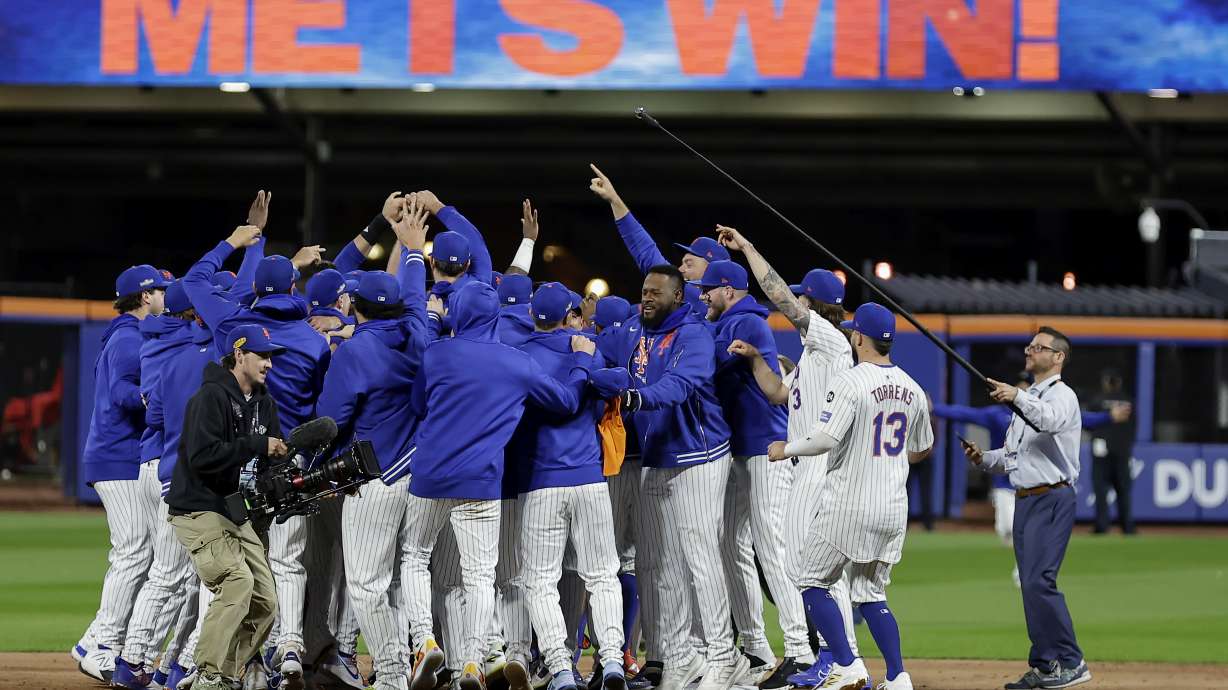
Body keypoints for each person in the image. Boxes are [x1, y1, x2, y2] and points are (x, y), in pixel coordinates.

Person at [402, 281, 596, 690]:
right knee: (479, 576)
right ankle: (472, 660)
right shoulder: (516, 362)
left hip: (431, 475)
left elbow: (418, 405)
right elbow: (565, 402)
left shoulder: (437, 353)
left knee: (415, 556)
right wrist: (580, 363)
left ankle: (424, 640)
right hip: (483, 480)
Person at [180, 215, 332, 684]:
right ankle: (229, 665)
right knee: (255, 574)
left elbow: (196, 282)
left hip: (244, 482)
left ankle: (220, 667)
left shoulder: (236, 324)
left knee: (251, 588)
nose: (269, 362)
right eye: (262, 356)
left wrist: (245, 240)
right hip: (237, 484)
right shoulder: (310, 339)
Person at [719, 226, 858, 689]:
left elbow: (781, 298)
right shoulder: (814, 355)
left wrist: (750, 249)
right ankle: (833, 658)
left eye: (804, 300)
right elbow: (780, 394)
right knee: (810, 569)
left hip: (822, 469)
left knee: (816, 570)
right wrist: (758, 358)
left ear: (816, 306)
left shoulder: (833, 343)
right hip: (807, 468)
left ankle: (834, 658)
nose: (794, 304)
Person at [590, 265, 742, 690]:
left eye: (657, 292)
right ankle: (679, 658)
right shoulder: (634, 330)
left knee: (701, 557)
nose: (648, 298)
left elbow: (680, 385)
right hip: (658, 457)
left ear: (678, 296)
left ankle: (721, 655)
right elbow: (593, 348)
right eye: (644, 291)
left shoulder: (693, 335)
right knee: (657, 564)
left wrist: (636, 395)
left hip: (699, 455)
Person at [773, 302, 934, 690]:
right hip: (893, 506)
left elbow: (825, 439)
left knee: (810, 578)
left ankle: (846, 664)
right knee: (870, 593)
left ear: (858, 336)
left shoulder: (851, 380)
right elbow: (924, 447)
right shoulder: (913, 388)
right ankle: (897, 676)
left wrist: (787, 448)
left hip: (850, 502)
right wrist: (888, 461)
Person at [317, 199, 432, 690]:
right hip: (422, 474)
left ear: (356, 306)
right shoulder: (418, 332)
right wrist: (412, 251)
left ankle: (389, 672)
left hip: (375, 476)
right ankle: (415, 651)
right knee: (409, 574)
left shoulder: (356, 350)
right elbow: (413, 294)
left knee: (366, 583)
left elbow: (331, 421)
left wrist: (312, 462)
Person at [963, 327, 1091, 689]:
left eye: (1038, 347)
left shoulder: (1062, 396)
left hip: (1052, 496)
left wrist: (1016, 396)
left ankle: (1072, 661)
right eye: (1030, 345)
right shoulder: (1028, 397)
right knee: (1031, 586)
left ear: (1058, 357)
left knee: (1039, 581)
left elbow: (1049, 421)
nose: (1029, 350)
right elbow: (1015, 456)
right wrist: (984, 458)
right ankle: (1045, 665)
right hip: (1025, 499)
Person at [512, 283, 627, 690]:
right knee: (603, 577)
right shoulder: (588, 348)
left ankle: (561, 668)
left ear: (532, 316)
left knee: (540, 581)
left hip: (540, 484)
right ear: (571, 315)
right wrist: (590, 363)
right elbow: (620, 379)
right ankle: (612, 660)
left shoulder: (520, 352)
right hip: (589, 481)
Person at [165, 324, 287, 690]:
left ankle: (223, 675)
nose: (268, 362)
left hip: (234, 509)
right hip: (197, 508)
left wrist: (295, 481)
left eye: (270, 356)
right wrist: (256, 445)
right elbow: (203, 457)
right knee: (237, 581)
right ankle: (207, 673)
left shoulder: (264, 402)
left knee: (265, 601)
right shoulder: (210, 398)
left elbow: (271, 460)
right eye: (261, 355)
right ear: (239, 355)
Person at [74, 263, 171, 683]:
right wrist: (157, 398)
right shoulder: (129, 337)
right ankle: (102, 645)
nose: (166, 296)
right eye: (162, 290)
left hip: (120, 456)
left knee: (142, 552)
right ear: (145, 296)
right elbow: (121, 393)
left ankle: (94, 638)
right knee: (133, 550)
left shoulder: (131, 334)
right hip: (117, 457)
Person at [934, 375, 1128, 584]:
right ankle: (1023, 559)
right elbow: (964, 413)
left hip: (1034, 484)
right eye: (1019, 389)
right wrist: (933, 408)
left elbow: (1082, 418)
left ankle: (1022, 570)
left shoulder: (1044, 415)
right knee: (1006, 528)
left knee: (1029, 535)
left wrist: (1108, 417)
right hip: (1004, 482)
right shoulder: (997, 414)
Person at [693, 258, 788, 684]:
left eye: (708, 290)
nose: (703, 297)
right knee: (733, 546)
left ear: (728, 289)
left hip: (766, 448)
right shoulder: (727, 322)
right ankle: (755, 646)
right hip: (739, 450)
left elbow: (705, 367)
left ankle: (802, 647)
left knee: (772, 548)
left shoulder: (747, 323)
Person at [111, 279, 209, 690]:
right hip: (179, 474)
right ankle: (139, 660)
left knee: (179, 577)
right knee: (175, 576)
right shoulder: (202, 353)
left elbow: (154, 417)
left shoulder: (156, 343)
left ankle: (158, 661)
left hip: (157, 463)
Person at [588, 163, 727, 316]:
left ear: (712, 270)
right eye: (682, 263)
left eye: (689, 264)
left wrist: (614, 200)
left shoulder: (699, 299)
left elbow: (647, 253)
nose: (680, 269)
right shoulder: (681, 302)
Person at [1089, 369, 1137, 535]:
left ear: (1107, 382)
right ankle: (1128, 527)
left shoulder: (1098, 400)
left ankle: (1102, 527)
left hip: (1101, 452)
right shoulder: (1129, 402)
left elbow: (1090, 424)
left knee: (1101, 491)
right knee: (1123, 490)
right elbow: (1134, 428)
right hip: (1122, 452)